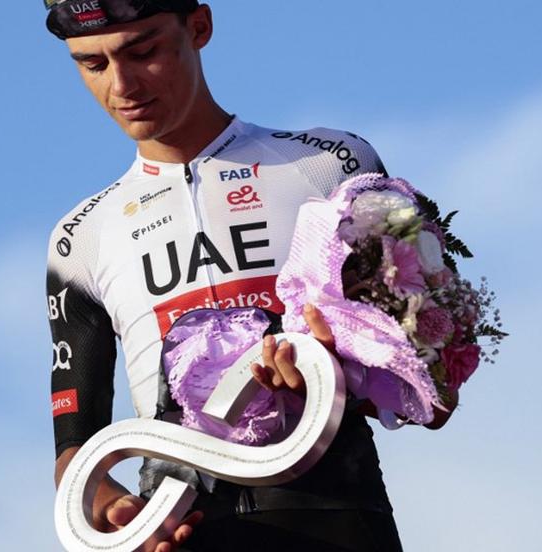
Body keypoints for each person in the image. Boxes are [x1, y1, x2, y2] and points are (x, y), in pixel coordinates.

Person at [45, 2, 456, 550]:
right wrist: (114, 509)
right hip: (181, 524)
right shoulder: (80, 237)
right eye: (92, 65)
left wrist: (344, 374)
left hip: (333, 505)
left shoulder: (333, 164)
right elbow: (75, 451)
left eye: (143, 52)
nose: (122, 85)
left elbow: (440, 388)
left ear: (199, 28)